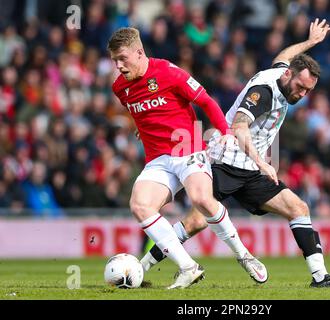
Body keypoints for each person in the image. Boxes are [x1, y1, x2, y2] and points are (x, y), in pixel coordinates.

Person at [141, 19, 330, 288]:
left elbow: (283, 56)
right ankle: (141, 267)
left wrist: (310, 42)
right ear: (288, 76)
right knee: (195, 222)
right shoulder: (263, 92)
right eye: (301, 87)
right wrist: (263, 162)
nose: (303, 94)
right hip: (224, 162)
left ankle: (320, 278)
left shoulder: (284, 73)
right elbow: (239, 125)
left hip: (250, 170)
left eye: (308, 90)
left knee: (298, 208)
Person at [108, 27, 267, 289]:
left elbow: (206, 102)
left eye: (123, 58)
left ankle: (244, 255)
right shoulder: (119, 88)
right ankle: (188, 267)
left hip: (187, 147)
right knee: (139, 206)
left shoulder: (168, 71)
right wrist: (144, 126)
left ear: (139, 52)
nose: (118, 66)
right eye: (114, 60)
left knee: (201, 198)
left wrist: (225, 132)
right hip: (158, 159)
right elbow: (148, 111)